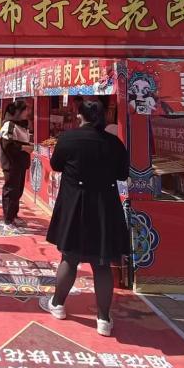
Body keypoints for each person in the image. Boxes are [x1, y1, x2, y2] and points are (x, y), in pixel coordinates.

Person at [41, 100, 130, 337]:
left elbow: (56, 165)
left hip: (75, 204)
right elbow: (123, 173)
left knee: (69, 258)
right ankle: (103, 318)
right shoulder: (113, 142)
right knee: (101, 263)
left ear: (80, 115)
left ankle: (58, 304)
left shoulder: (69, 138)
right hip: (104, 207)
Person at [0, 100, 32, 231]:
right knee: (10, 191)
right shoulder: (9, 125)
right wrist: (23, 147)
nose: (27, 113)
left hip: (20, 163)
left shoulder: (22, 125)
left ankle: (14, 215)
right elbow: (7, 145)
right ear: (18, 111)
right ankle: (8, 220)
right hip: (11, 164)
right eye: (25, 110)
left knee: (18, 191)